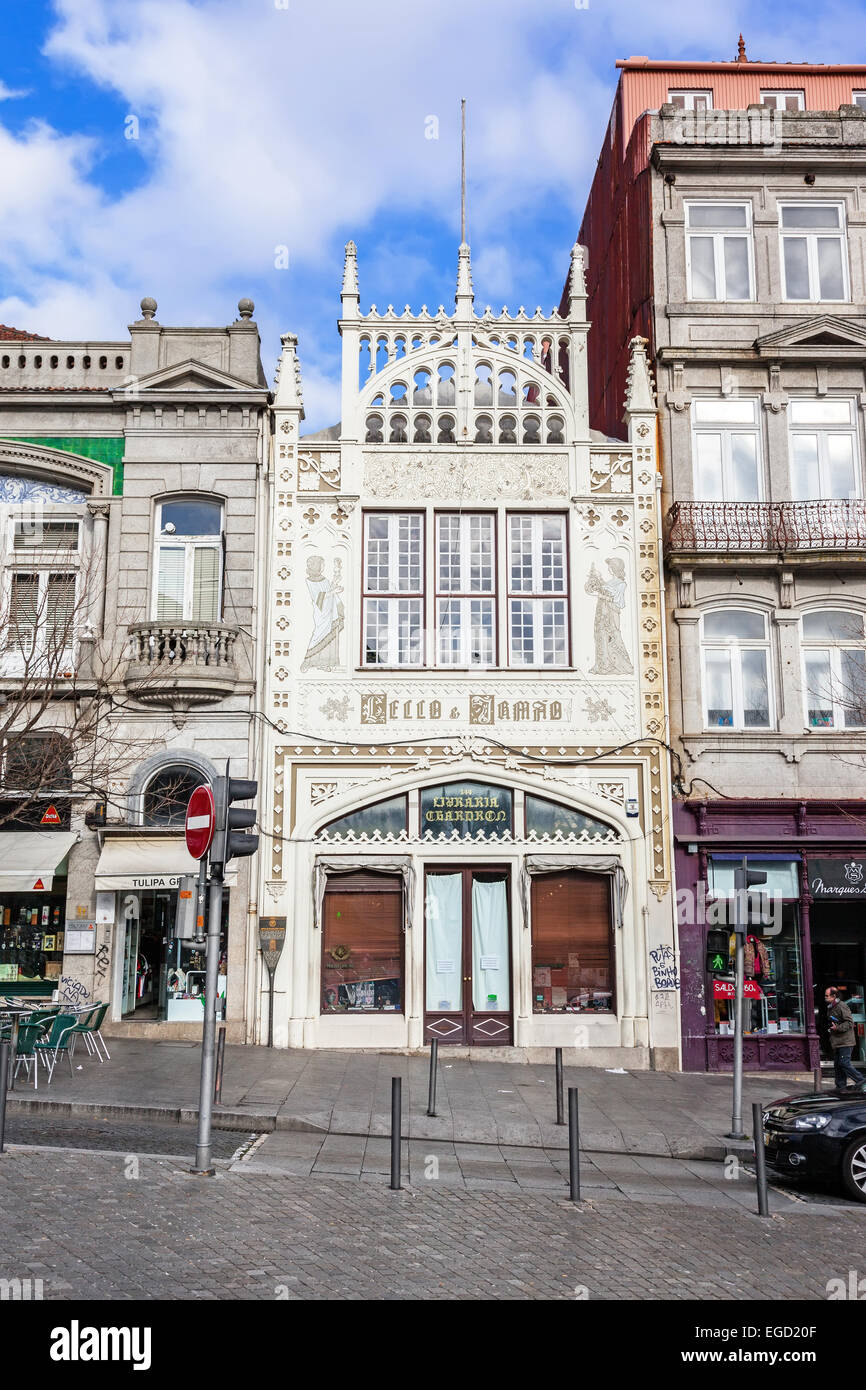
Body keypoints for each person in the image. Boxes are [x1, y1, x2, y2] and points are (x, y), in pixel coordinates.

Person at [825, 987, 865, 1091]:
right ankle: (841, 1087)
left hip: (845, 1041)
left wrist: (837, 1028)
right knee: (838, 1065)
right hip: (838, 1041)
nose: (825, 998)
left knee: (844, 1063)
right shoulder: (831, 1007)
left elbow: (849, 1023)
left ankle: (861, 1080)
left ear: (834, 996)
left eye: (826, 996)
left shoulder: (842, 1006)